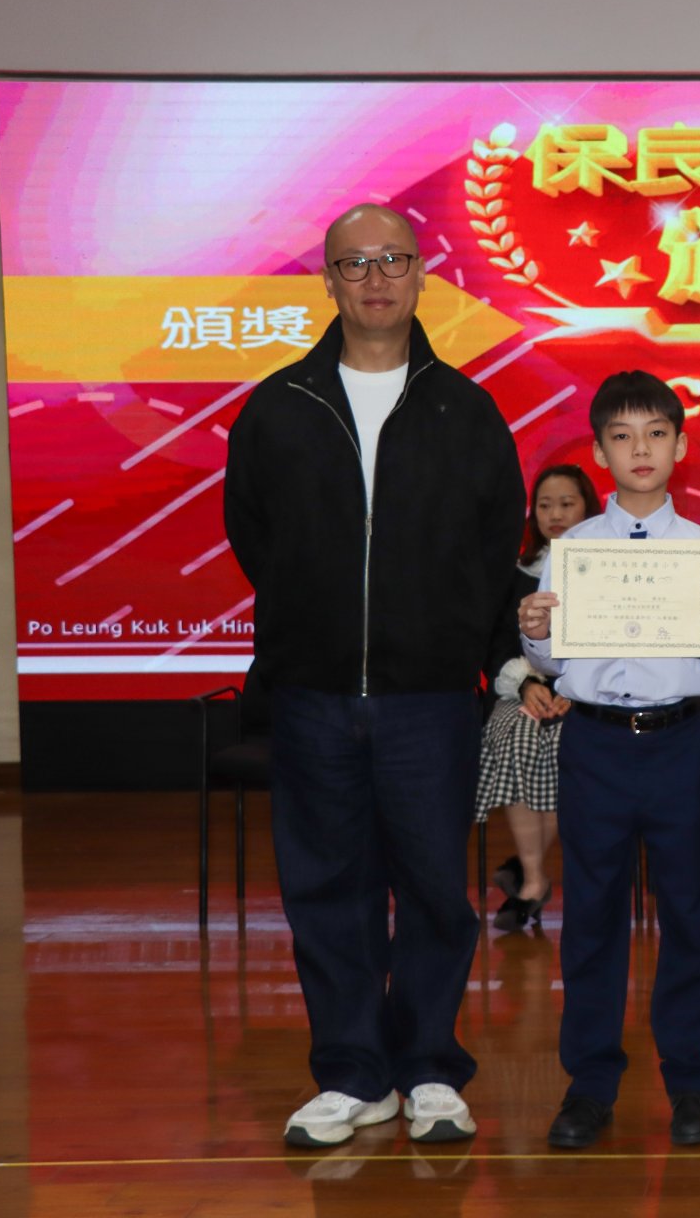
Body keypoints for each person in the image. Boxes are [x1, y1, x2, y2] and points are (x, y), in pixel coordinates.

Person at [224, 203, 523, 1148]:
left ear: (423, 273)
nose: (376, 278)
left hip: (429, 698)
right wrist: (314, 626)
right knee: (328, 889)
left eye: (394, 259)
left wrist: (452, 642)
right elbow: (254, 535)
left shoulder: (465, 410)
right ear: (328, 281)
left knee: (435, 888)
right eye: (355, 264)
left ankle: (429, 1066)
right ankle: (353, 1073)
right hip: (313, 695)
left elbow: (493, 547)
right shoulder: (279, 407)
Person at [517, 370, 700, 1152]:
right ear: (600, 452)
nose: (640, 449)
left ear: (679, 446)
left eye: (655, 434)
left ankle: (690, 1081)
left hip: (680, 742)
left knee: (687, 915)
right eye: (622, 436)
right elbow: (553, 660)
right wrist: (535, 631)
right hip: (595, 745)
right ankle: (589, 1085)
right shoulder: (574, 549)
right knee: (591, 919)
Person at [477, 463, 600, 932]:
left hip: (589, 693)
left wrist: (573, 691)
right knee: (519, 735)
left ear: (588, 507)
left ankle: (527, 869)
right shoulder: (516, 572)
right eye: (545, 505)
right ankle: (533, 878)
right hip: (524, 691)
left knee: (571, 743)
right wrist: (527, 687)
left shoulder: (608, 567)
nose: (555, 514)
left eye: (567, 504)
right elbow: (496, 647)